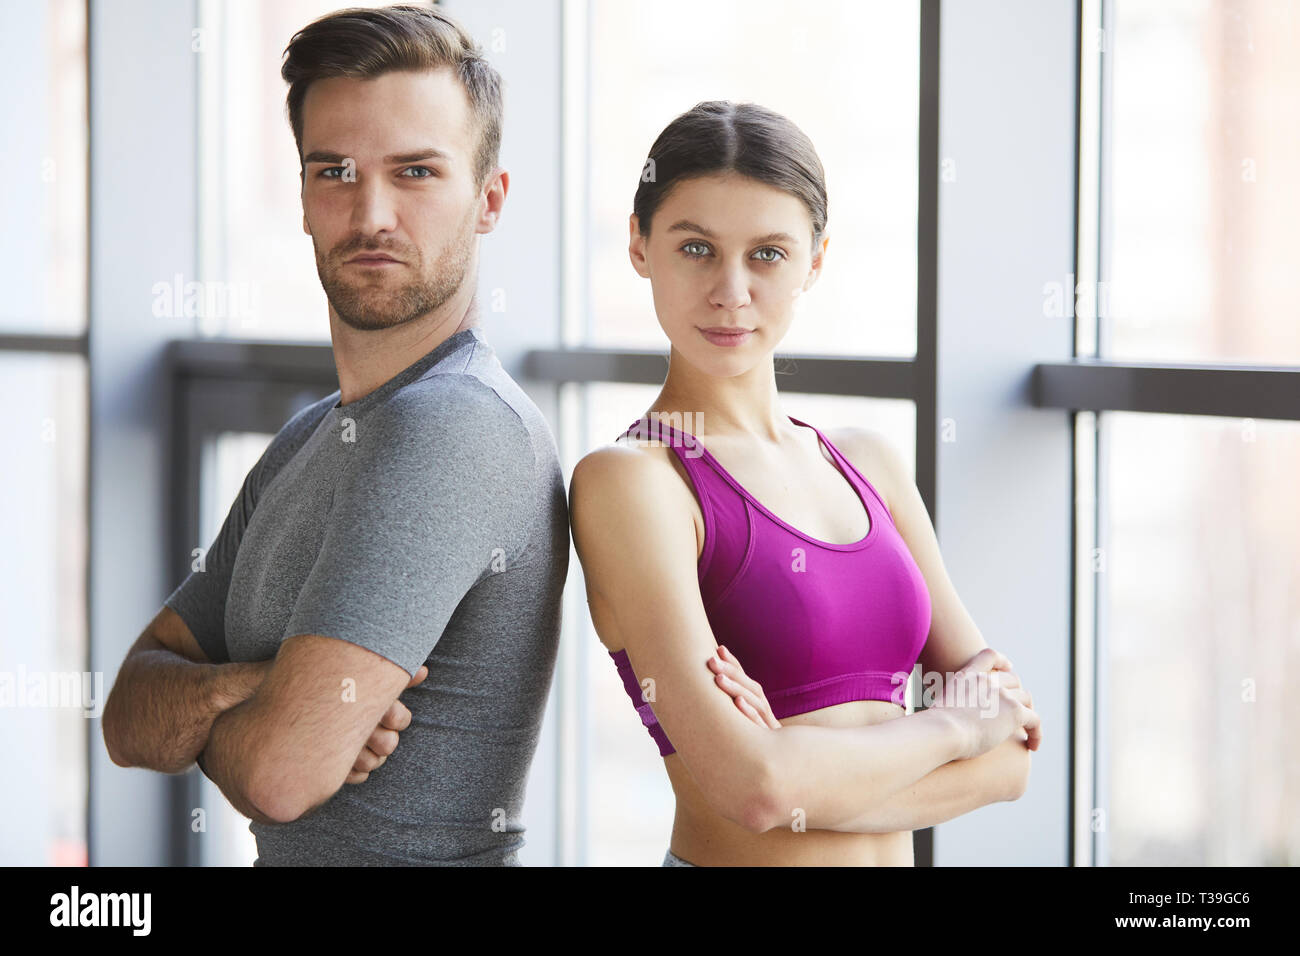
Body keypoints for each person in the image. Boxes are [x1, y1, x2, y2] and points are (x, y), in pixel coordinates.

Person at [101, 5, 569, 866]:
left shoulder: (457, 426)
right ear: (306, 199)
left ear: (490, 199)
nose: (373, 213)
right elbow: (127, 716)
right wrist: (255, 688)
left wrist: (217, 710)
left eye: (418, 172)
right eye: (337, 171)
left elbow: (280, 776)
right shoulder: (313, 437)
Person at [569, 100, 1043, 866]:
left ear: (814, 262)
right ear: (639, 245)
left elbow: (1014, 755)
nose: (730, 290)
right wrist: (955, 727)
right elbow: (754, 787)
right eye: (695, 248)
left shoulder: (870, 463)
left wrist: (801, 773)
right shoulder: (634, 483)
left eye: (767, 254)